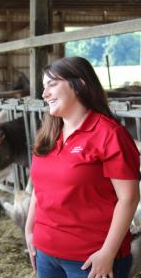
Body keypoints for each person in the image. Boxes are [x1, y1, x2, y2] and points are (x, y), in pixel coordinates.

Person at [25, 56, 140, 278]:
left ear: (79, 85)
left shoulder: (110, 135)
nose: (44, 94)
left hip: (91, 259)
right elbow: (39, 190)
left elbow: (129, 198)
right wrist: (30, 230)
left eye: (52, 84)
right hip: (46, 253)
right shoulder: (48, 135)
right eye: (43, 87)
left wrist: (107, 253)